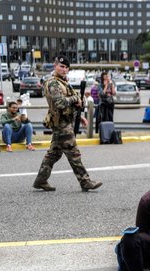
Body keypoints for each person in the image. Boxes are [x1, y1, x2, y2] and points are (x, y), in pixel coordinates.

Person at [33, 55, 102, 192]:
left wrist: (79, 116)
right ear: (55, 66)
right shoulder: (53, 83)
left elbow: (69, 104)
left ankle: (40, 180)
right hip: (61, 124)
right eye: (61, 66)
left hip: (65, 121)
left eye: (66, 67)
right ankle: (85, 182)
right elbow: (60, 103)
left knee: (54, 153)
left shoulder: (62, 82)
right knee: (73, 153)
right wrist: (75, 98)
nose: (64, 69)